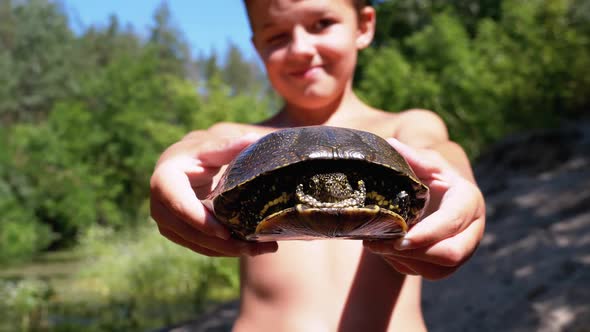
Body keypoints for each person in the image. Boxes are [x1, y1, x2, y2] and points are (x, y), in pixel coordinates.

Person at [150, 0, 486, 330]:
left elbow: (438, 151)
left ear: (364, 26)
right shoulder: (241, 141)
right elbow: (199, 144)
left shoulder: (404, 128)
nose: (300, 48)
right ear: (257, 47)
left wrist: (460, 184)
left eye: (321, 24)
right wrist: (171, 164)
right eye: (277, 36)